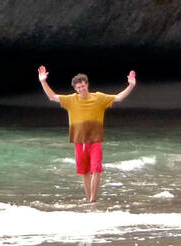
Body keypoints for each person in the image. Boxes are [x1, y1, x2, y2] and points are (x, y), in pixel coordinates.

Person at [38, 65, 136, 202]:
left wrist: (131, 85)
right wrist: (43, 81)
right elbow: (52, 97)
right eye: (78, 88)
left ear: (87, 84)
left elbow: (118, 98)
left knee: (96, 169)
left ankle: (92, 201)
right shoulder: (71, 100)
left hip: (95, 140)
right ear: (75, 89)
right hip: (79, 141)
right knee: (84, 172)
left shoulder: (99, 98)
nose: (81, 89)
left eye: (83, 86)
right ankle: (89, 200)